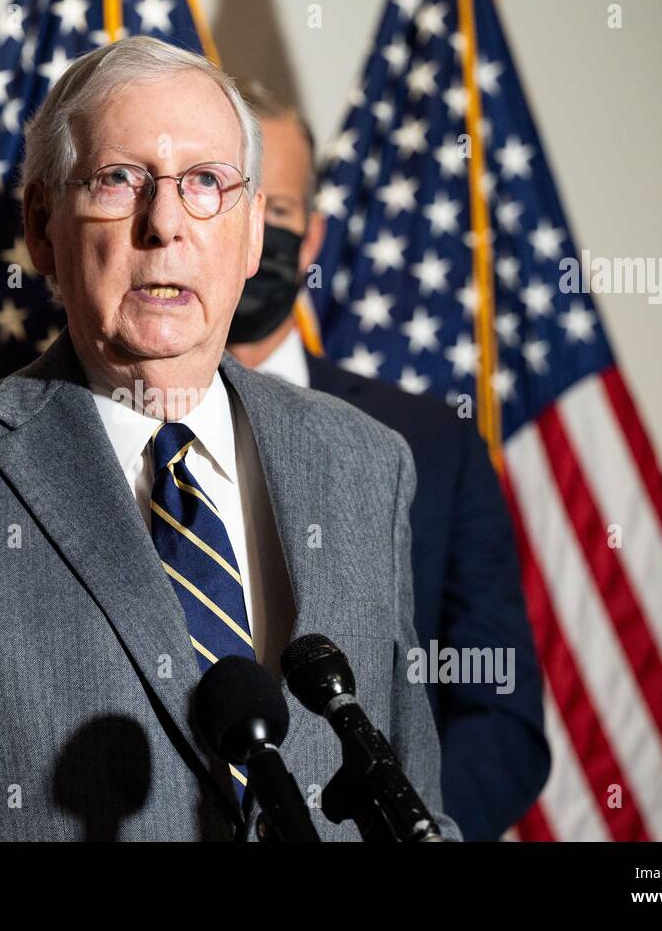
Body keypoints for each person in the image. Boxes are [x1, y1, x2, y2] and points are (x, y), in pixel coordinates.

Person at [0, 37, 460, 842]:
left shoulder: (362, 463)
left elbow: (406, 789)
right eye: (118, 181)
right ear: (41, 227)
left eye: (207, 183)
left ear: (251, 235)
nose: (165, 225)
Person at [225, 79, 549, 840]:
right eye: (232, 196)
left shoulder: (428, 446)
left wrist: (407, 828)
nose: (254, 234)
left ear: (313, 237)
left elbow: (500, 715)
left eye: (278, 212)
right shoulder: (117, 423)